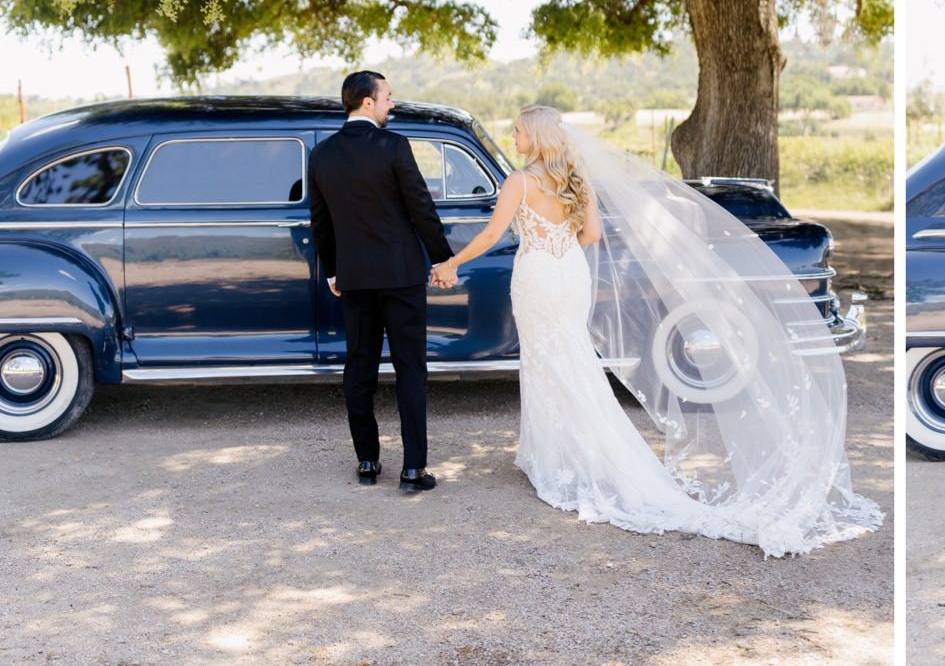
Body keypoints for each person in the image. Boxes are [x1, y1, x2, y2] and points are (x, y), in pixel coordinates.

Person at [430, 104, 883, 556]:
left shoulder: (520, 181)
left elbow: (492, 235)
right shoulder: (575, 180)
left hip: (537, 277)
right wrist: (556, 238)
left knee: (546, 361)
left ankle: (555, 458)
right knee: (572, 360)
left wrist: (452, 262)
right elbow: (590, 236)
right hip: (568, 275)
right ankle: (563, 453)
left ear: (537, 135)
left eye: (518, 130)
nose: (513, 135)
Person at [309, 70, 454, 493]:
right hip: (401, 274)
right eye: (388, 97)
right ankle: (413, 470)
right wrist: (443, 257)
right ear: (367, 102)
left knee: (359, 367)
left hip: (353, 277)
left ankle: (368, 462)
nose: (392, 104)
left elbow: (321, 223)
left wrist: (333, 270)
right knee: (410, 368)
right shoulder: (393, 146)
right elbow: (420, 206)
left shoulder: (322, 154)